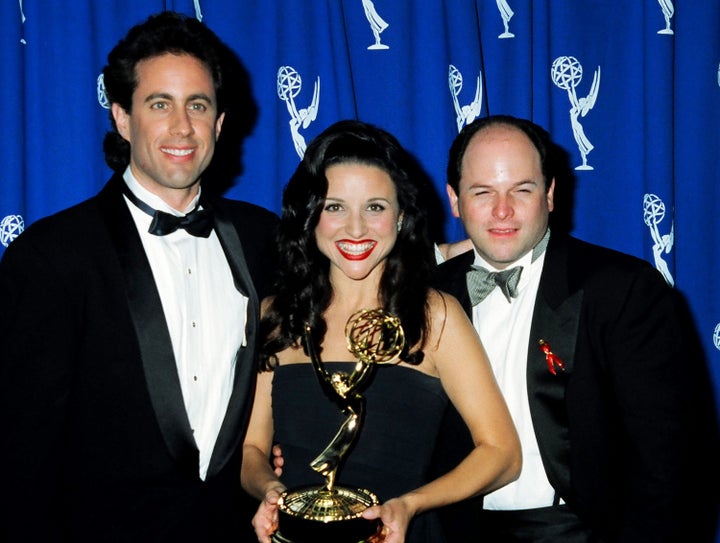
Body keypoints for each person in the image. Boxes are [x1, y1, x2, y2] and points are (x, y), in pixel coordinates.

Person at [0, 11, 278, 542]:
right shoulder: (51, 257)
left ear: (220, 123)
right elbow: (19, 455)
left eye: (198, 105)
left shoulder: (263, 239)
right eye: (159, 104)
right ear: (122, 118)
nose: (182, 127)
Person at [431, 114, 720, 541]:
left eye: (521, 190)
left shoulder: (622, 290)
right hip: (452, 532)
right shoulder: (425, 293)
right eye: (482, 192)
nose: (502, 210)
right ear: (455, 199)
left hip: (582, 532)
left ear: (550, 194)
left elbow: (671, 460)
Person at [240, 119, 521, 543]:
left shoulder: (436, 316)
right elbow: (251, 451)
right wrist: (270, 493)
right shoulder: (276, 315)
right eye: (335, 207)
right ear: (310, 215)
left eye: (375, 207)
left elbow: (502, 454)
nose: (356, 229)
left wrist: (411, 504)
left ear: (401, 215)